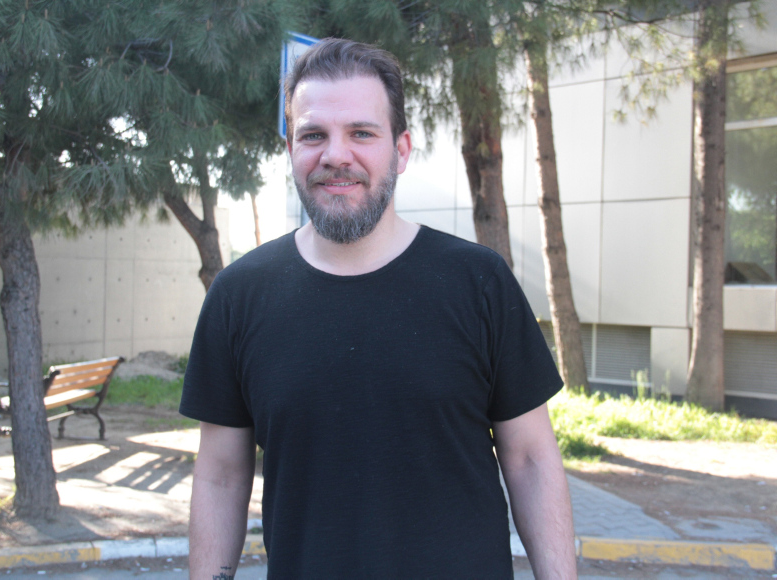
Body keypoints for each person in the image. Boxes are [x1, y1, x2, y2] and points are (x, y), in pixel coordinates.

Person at [180, 38, 577, 579]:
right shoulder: (238, 296)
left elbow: (530, 458)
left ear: (402, 150)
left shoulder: (479, 282)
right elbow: (222, 474)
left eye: (361, 133)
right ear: (290, 149)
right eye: (313, 135)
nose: (335, 155)